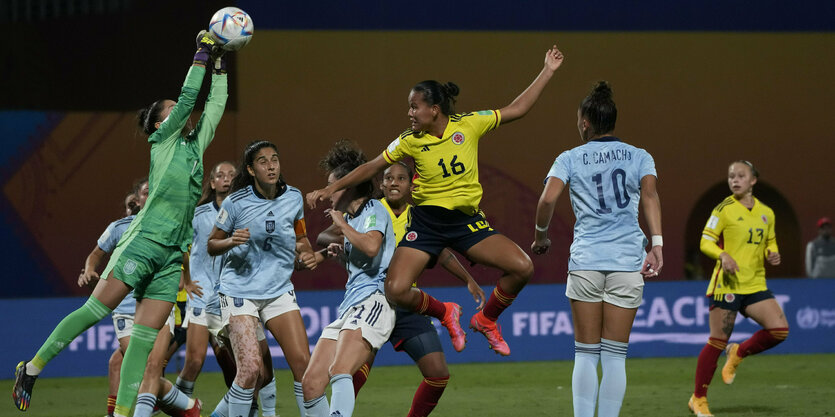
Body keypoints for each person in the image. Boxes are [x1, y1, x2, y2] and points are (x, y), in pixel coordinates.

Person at [13, 31, 229, 417]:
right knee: (95, 310)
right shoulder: (162, 140)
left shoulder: (196, 146)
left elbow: (215, 103)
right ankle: (31, 368)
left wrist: (220, 64)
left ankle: (125, 414)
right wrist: (201, 53)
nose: (182, 111)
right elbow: (189, 99)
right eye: (171, 108)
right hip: (144, 241)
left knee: (144, 345)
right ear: (161, 121)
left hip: (170, 256)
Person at [307, 44, 565, 356]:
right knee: (396, 289)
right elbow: (373, 166)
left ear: (434, 109)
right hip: (427, 224)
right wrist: (330, 189)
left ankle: (486, 319)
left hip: (466, 222)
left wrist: (547, 71)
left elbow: (517, 109)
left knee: (522, 268)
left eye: (414, 107)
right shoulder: (409, 141)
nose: (410, 113)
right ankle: (445, 312)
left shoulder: (469, 124)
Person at [318, 148, 486, 417]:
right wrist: (341, 243)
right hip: (374, 298)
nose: (393, 183)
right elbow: (325, 236)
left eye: (400, 179)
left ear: (411, 186)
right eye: (388, 178)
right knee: (348, 372)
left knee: (438, 375)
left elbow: (441, 253)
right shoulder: (369, 210)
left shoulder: (418, 217)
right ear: (380, 184)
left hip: (407, 303)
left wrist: (469, 279)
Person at [531, 81, 662, 417]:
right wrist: (657, 243)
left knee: (586, 353)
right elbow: (650, 196)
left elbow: (547, 199)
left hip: (587, 260)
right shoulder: (640, 156)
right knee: (615, 355)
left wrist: (541, 235)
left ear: (586, 122)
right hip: (627, 262)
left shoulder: (570, 158)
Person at [207, 141, 317, 417]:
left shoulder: (293, 197)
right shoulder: (236, 202)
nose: (271, 166)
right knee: (251, 369)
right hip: (239, 292)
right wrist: (232, 240)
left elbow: (300, 237)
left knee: (305, 365)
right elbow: (212, 244)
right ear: (251, 169)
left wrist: (305, 254)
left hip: (278, 291)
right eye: (263, 161)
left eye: (275, 160)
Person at [301, 140, 397, 417]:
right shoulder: (352, 220)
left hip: (374, 300)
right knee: (311, 384)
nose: (329, 194)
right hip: (350, 304)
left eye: (333, 186)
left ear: (349, 186)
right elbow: (344, 246)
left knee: (340, 370)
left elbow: (371, 247)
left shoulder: (373, 210)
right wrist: (331, 250)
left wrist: (341, 225)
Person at [689, 160, 788, 417]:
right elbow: (705, 241)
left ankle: (739, 351)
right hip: (728, 284)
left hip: (755, 283)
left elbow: (771, 240)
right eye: (731, 176)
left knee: (779, 331)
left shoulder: (767, 212)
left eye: (741, 176)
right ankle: (698, 399)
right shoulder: (724, 209)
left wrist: (772, 252)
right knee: (716, 341)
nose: (735, 180)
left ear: (753, 180)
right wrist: (722, 255)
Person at [173, 161, 245, 399]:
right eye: (220, 175)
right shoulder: (198, 214)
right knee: (194, 360)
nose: (226, 178)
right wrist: (187, 278)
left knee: (235, 365)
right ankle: (181, 407)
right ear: (213, 183)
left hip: (234, 297)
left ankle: (244, 409)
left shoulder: (245, 212)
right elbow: (179, 245)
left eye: (231, 175)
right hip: (203, 298)